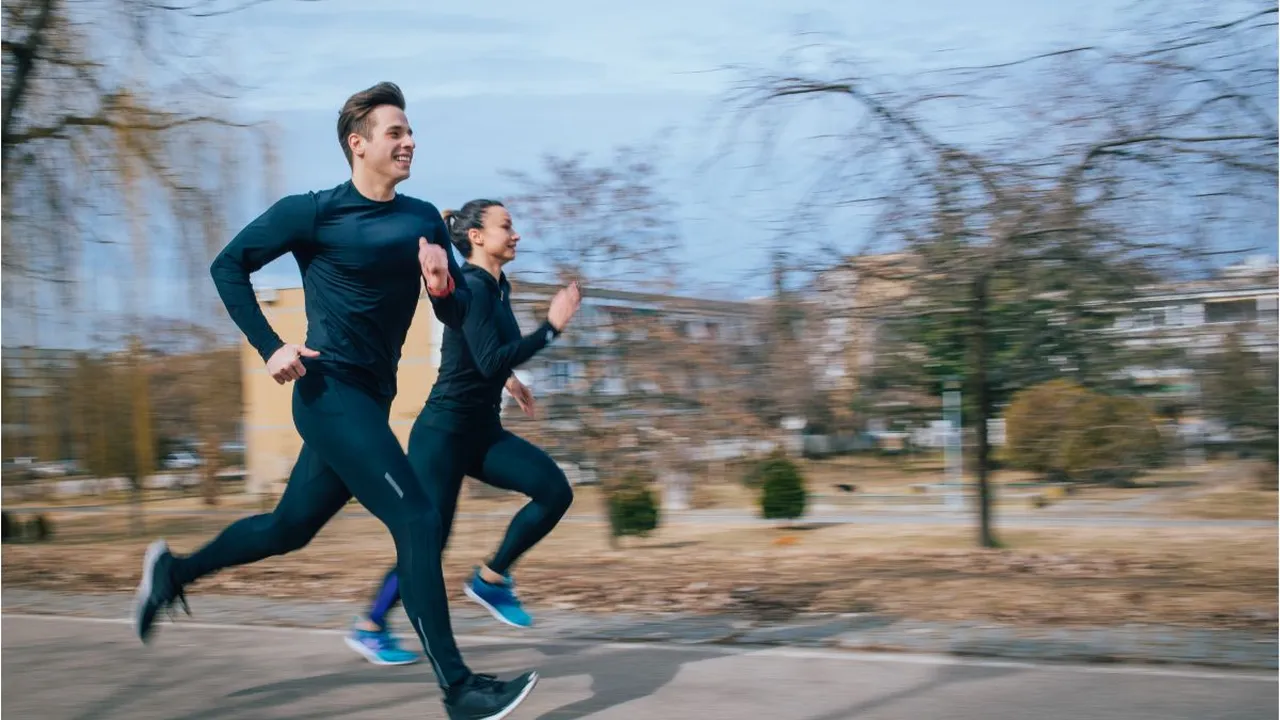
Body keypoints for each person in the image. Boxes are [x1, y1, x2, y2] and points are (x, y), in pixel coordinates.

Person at [130, 82, 540, 720]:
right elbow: (228, 265)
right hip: (326, 392)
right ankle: (459, 689)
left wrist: (445, 296)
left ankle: (173, 574)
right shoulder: (313, 213)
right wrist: (269, 345)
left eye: (410, 131)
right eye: (395, 133)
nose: (409, 142)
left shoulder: (424, 218)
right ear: (358, 144)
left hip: (369, 402)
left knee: (289, 529)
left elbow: (458, 309)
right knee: (419, 520)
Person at [346, 199, 581, 664]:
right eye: (506, 226)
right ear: (477, 236)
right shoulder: (472, 286)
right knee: (429, 542)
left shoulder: (497, 285)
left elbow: (482, 352)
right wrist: (551, 327)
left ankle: (491, 580)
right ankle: (370, 624)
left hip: (481, 431)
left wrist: (507, 380)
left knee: (555, 491)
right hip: (443, 435)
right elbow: (492, 354)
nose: (516, 235)